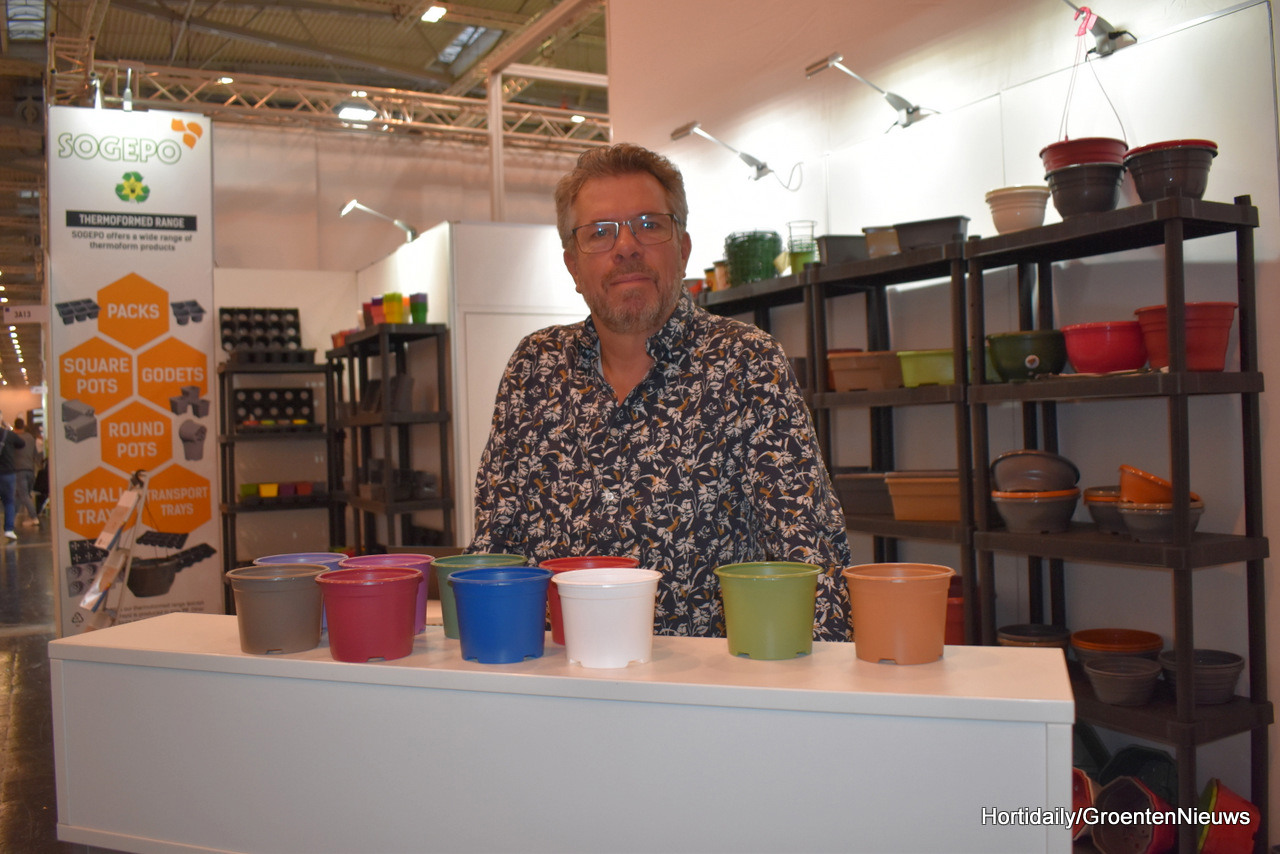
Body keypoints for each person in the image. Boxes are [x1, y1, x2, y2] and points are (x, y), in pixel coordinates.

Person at [468, 143, 852, 640]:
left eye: (649, 225)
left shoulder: (745, 364)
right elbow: (495, 546)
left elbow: (810, 555)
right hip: (558, 674)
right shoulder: (534, 370)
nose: (626, 246)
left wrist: (817, 681)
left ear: (683, 248)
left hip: (707, 682)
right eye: (600, 233)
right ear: (572, 265)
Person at [0, 414, 27, 541]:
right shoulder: (8, 434)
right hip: (8, 473)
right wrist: (9, 428)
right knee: (9, 502)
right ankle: (9, 529)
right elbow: (21, 443)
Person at [11, 417, 40, 526]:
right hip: (30, 470)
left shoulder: (14, 438)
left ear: (15, 427)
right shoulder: (31, 438)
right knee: (19, 495)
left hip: (19, 470)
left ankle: (34, 517)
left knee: (24, 495)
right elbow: (35, 454)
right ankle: (11, 517)